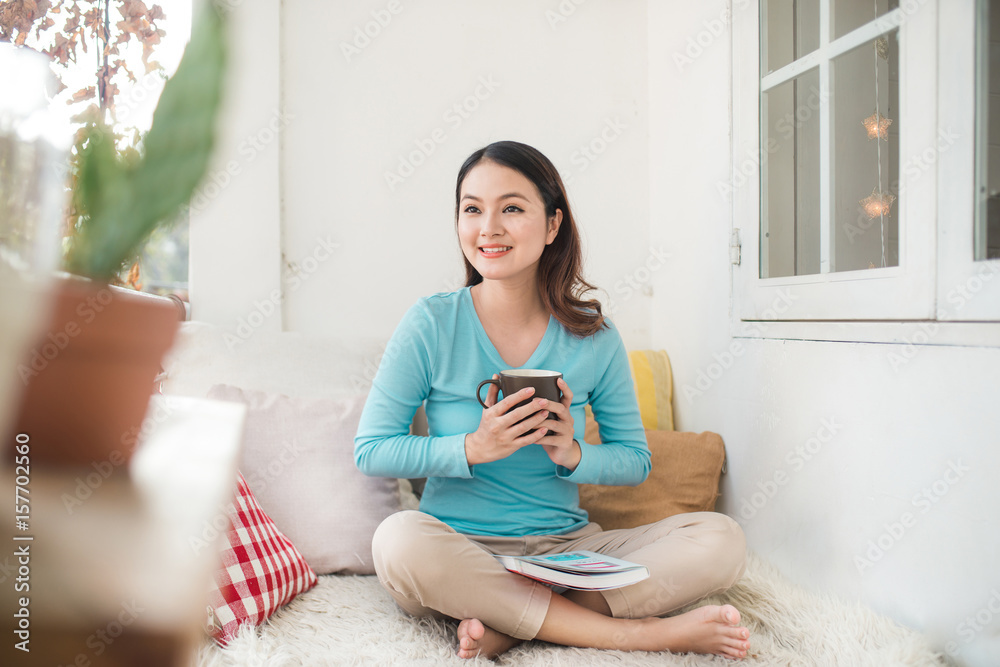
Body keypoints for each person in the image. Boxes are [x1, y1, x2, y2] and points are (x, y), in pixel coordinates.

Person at [354, 140, 750, 660]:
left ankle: (511, 623)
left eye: (512, 208)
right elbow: (372, 450)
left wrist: (573, 454)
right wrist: (472, 447)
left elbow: (634, 461)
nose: (488, 228)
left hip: (566, 554)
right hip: (458, 554)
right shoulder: (431, 323)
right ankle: (637, 634)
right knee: (397, 540)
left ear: (552, 225)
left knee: (721, 539)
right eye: (472, 209)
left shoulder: (595, 336)